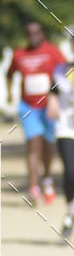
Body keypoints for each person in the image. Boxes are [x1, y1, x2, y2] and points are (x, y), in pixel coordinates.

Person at [7, 21, 66, 204]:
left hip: (50, 107)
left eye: (36, 32)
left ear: (43, 33)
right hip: (28, 107)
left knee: (47, 146)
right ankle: (33, 187)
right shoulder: (19, 54)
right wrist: (9, 92)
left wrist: (66, 91)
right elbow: (9, 74)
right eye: (29, 33)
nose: (33, 36)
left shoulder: (53, 52)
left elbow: (68, 72)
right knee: (34, 144)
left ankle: (47, 179)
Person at [47, 51, 74, 238]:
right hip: (66, 128)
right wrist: (52, 103)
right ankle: (70, 211)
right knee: (71, 172)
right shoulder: (60, 72)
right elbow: (53, 93)